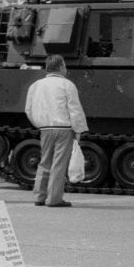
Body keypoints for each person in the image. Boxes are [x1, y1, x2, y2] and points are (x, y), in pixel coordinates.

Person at [24, 53, 89, 208]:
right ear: (60, 67)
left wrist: (40, 124)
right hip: (64, 129)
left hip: (45, 129)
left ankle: (39, 196)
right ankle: (54, 199)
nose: (65, 68)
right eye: (64, 65)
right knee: (59, 165)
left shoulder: (36, 85)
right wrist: (79, 129)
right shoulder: (67, 85)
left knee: (44, 162)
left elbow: (28, 109)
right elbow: (74, 109)